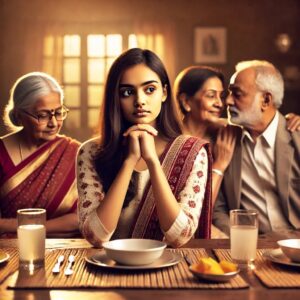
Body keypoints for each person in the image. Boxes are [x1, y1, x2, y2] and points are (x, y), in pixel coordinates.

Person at [77, 48, 212, 248]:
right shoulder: (91, 151)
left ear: (164, 93)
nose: (140, 100)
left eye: (150, 89)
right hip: (109, 269)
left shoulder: (192, 152)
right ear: (116, 98)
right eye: (127, 92)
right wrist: (129, 162)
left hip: (168, 271)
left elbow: (180, 237)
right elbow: (96, 236)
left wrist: (152, 162)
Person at [213, 60, 300, 235]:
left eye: (237, 94)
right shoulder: (224, 141)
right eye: (229, 93)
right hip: (249, 246)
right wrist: (238, 238)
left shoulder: (297, 137)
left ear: (266, 100)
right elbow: (218, 210)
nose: (227, 101)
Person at [0, 72, 80, 236]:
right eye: (42, 115)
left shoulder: (75, 152)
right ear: (18, 115)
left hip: (69, 249)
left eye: (58, 113)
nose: (53, 123)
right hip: (10, 250)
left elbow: (83, 219)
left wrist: (13, 225)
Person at [174, 66, 237, 206]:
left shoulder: (221, 135)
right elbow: (197, 209)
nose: (220, 104)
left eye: (220, 96)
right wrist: (219, 166)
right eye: (210, 95)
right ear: (186, 101)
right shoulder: (171, 143)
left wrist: (293, 120)